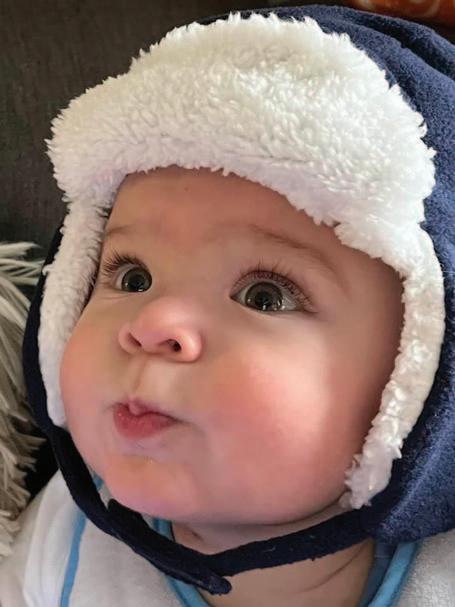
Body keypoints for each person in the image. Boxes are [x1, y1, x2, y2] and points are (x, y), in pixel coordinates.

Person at [0, 5, 454, 607]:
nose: (152, 325)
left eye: (265, 295)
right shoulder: (64, 543)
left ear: (415, 382)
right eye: (132, 277)